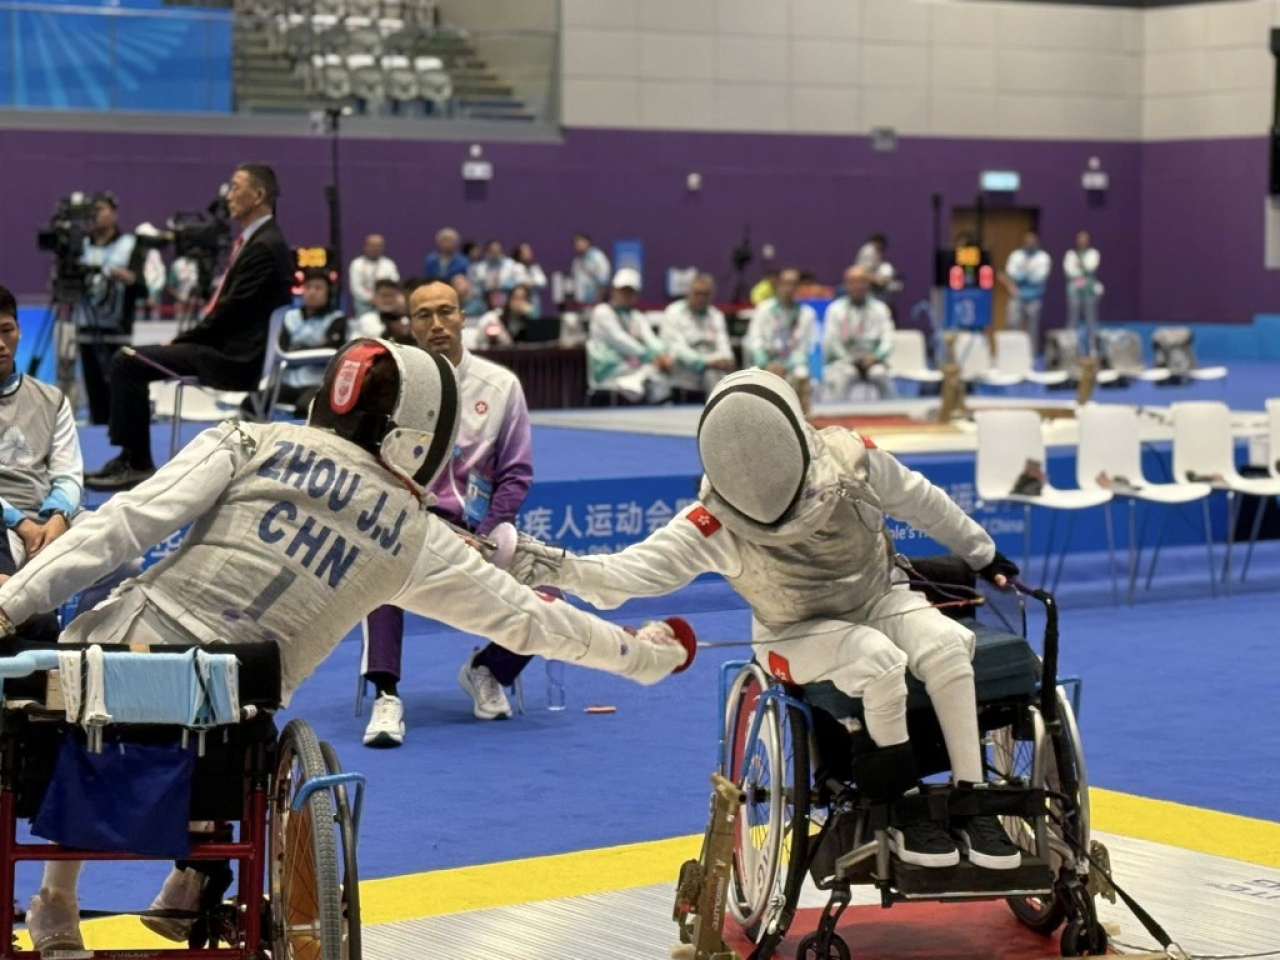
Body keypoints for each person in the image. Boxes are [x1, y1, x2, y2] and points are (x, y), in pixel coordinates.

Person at [0, 338, 695, 952]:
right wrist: (640, 658)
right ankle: (193, 874)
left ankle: (57, 899)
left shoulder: (250, 440)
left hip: (102, 685)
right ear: (419, 437)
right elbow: (533, 624)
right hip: (227, 719)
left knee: (99, 679)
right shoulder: (413, 535)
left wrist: (10, 601)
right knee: (233, 705)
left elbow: (119, 527)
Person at [506, 369, 1023, 873]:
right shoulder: (712, 523)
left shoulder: (852, 460)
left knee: (949, 646)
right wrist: (550, 564)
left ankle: (972, 797)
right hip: (795, 632)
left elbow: (922, 501)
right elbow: (623, 576)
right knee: (879, 662)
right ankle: (902, 807)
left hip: (881, 597)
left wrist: (983, 552)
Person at [362, 280, 536, 745]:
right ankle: (386, 696)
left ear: (463, 318)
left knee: (549, 589)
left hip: (481, 531)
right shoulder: (391, 388)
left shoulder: (502, 387)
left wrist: (482, 535)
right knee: (379, 569)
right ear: (409, 325)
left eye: (446, 312)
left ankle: (488, 671)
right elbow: (373, 472)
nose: (437, 324)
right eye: (424, 315)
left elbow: (516, 475)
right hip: (410, 528)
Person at [85, 163, 293, 491]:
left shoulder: (265, 247)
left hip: (235, 360)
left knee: (127, 361)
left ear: (258, 195)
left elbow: (227, 315)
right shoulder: (261, 240)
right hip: (229, 349)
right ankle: (129, 457)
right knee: (130, 360)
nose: (229, 195)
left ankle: (135, 462)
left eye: (236, 187)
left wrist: (180, 341)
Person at [0, 285, 82, 642]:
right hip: (8, 530)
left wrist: (59, 517)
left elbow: (68, 473)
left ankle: (82, 640)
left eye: (6, 330)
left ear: (19, 330)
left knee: (125, 562)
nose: (1, 344)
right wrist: (22, 524)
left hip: (49, 522)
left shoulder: (51, 399)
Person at [75, 192, 143, 425]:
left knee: (118, 390)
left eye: (101, 208)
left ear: (114, 212)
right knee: (95, 395)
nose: (96, 215)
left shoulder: (130, 244)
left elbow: (142, 285)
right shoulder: (79, 244)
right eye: (92, 210)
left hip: (117, 330)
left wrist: (128, 278)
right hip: (86, 328)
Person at [248, 268, 347, 416]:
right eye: (308, 287)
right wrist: (313, 348)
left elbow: (331, 351)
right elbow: (283, 350)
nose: (312, 292)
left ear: (328, 292)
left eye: (318, 288)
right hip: (287, 382)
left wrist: (298, 349)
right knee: (250, 403)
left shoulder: (337, 319)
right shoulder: (289, 317)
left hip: (316, 384)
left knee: (305, 407)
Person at [585, 268, 673, 404]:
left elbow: (650, 339)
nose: (626, 295)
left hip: (633, 368)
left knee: (659, 374)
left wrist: (661, 354)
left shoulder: (637, 316)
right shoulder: (602, 312)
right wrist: (648, 355)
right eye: (622, 290)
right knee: (650, 374)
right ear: (614, 291)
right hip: (608, 372)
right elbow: (619, 339)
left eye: (630, 291)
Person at [743, 267, 817, 409]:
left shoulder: (807, 314)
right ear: (777, 284)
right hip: (766, 363)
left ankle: (801, 420)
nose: (788, 288)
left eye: (793, 284)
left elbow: (807, 347)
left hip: (791, 365)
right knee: (760, 374)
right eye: (785, 283)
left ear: (798, 286)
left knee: (802, 374)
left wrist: (786, 365)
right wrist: (766, 364)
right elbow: (754, 340)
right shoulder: (764, 309)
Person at [822, 265, 895, 401]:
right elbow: (832, 341)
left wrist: (876, 356)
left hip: (873, 361)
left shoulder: (880, 309)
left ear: (869, 283)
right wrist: (852, 360)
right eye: (853, 282)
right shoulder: (835, 309)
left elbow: (888, 339)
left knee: (879, 374)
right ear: (846, 284)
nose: (858, 286)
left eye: (862, 281)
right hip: (845, 361)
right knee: (846, 374)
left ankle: (892, 416)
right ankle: (838, 415)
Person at [658, 272, 736, 398]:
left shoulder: (716, 316)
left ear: (711, 295)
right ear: (688, 293)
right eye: (697, 293)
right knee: (709, 372)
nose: (701, 298)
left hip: (714, 374)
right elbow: (678, 349)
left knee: (717, 374)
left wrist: (726, 359)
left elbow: (724, 345)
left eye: (705, 294)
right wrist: (706, 363)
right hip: (684, 376)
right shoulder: (673, 313)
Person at [1001, 230, 1051, 355]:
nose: (1029, 243)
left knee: (1032, 329)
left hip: (1034, 297)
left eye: (1032, 241)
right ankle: (1011, 355)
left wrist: (1022, 277)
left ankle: (1030, 357)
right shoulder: (1016, 256)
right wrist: (1027, 277)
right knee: (1012, 325)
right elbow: (1011, 274)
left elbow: (1039, 278)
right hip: (1017, 296)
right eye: (1027, 241)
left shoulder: (1043, 257)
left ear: (1036, 242)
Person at [1063, 231, 1103, 358]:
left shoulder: (1093, 253)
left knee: (1091, 321)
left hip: (1089, 291)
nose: (1082, 241)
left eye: (1084, 239)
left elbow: (1091, 268)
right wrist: (1082, 270)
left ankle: (1093, 351)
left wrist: (1080, 267)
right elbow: (1069, 271)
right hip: (1074, 290)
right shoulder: (1070, 254)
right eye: (1080, 239)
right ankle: (1070, 351)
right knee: (1072, 321)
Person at [347, 234, 400, 317]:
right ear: (366, 246)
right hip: (364, 307)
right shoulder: (356, 264)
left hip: (385, 306)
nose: (375, 249)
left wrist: (383, 299)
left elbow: (394, 285)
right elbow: (356, 288)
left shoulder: (389, 264)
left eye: (378, 246)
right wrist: (372, 299)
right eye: (372, 246)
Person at [352, 278, 411, 344]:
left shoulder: (406, 321)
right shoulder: (366, 320)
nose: (388, 300)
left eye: (392, 295)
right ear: (375, 297)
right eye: (384, 296)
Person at [468, 239, 519, 306]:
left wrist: (502, 285)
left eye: (497, 250)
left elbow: (517, 283)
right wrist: (486, 287)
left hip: (508, 301)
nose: (495, 253)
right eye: (492, 250)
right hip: (485, 301)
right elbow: (476, 287)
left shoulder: (511, 265)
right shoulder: (480, 267)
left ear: (502, 251)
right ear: (487, 251)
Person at [570, 232, 611, 306]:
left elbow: (603, 281)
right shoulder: (577, 261)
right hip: (581, 303)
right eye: (576, 243)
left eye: (580, 241)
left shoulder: (598, 257)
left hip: (597, 301)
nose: (578, 245)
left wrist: (598, 302)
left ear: (587, 242)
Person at [510, 242, 548, 315]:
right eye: (525, 251)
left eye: (529, 251)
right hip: (519, 299)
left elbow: (543, 282)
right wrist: (529, 282)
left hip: (532, 298)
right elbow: (518, 281)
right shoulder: (514, 267)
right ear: (519, 254)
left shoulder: (535, 268)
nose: (529, 253)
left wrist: (531, 282)